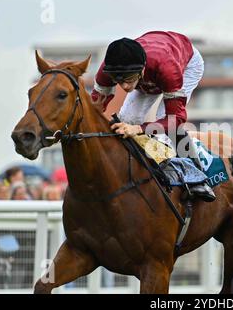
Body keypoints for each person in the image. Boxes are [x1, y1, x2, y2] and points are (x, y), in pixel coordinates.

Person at [91, 31, 215, 201]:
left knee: (163, 125)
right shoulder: (107, 69)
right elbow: (94, 109)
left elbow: (175, 120)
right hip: (150, 69)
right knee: (126, 119)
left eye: (128, 79)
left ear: (141, 69)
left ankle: (198, 177)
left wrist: (139, 129)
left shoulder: (168, 70)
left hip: (185, 65)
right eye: (119, 81)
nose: (125, 86)